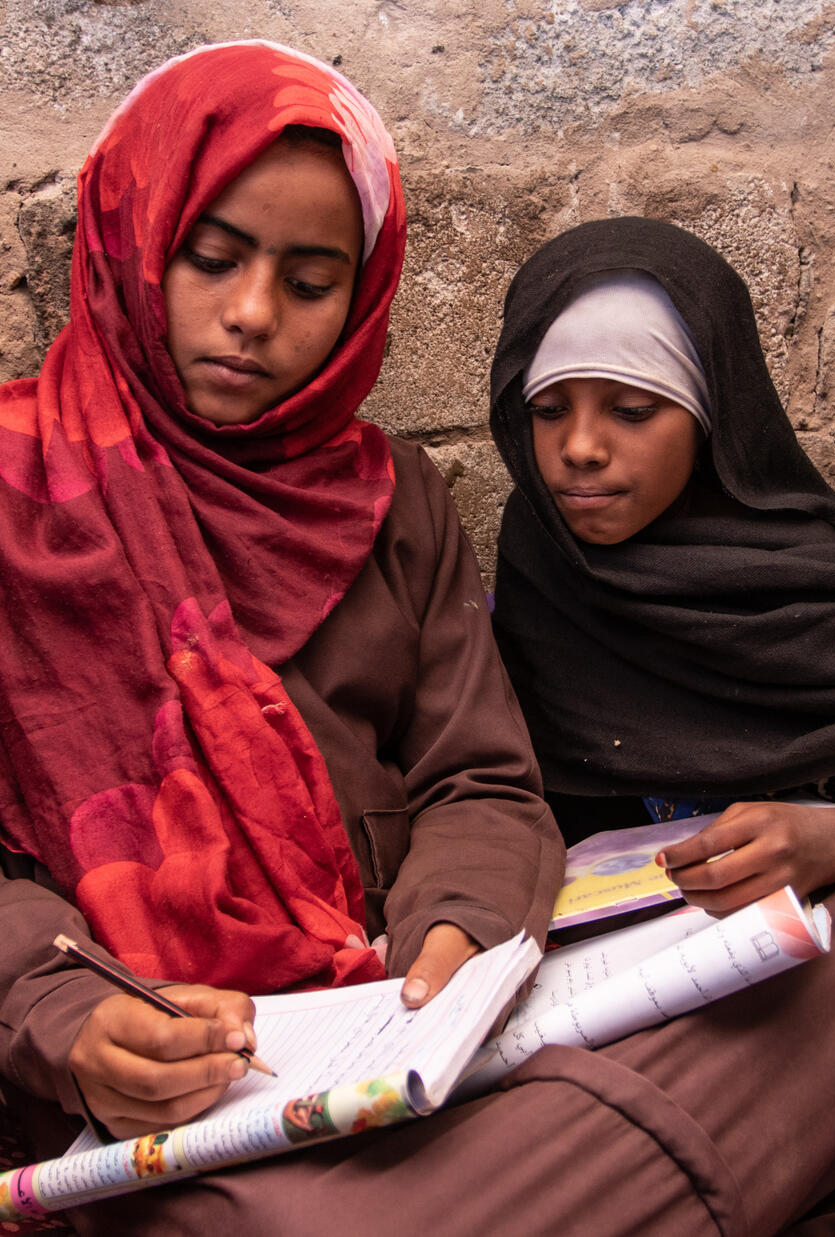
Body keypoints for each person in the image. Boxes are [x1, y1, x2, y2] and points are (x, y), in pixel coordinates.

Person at [0, 40, 568, 1231]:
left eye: (310, 285)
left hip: (384, 1028)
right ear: (133, 240)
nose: (251, 316)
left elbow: (483, 779)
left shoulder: (393, 497)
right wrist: (61, 1011)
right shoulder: (15, 489)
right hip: (129, 1078)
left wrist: (451, 939)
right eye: (210, 259)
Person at [488, 217, 835, 1231]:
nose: (580, 449)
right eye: (548, 410)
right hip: (665, 1010)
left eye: (633, 409)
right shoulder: (548, 589)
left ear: (713, 415)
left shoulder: (810, 595)